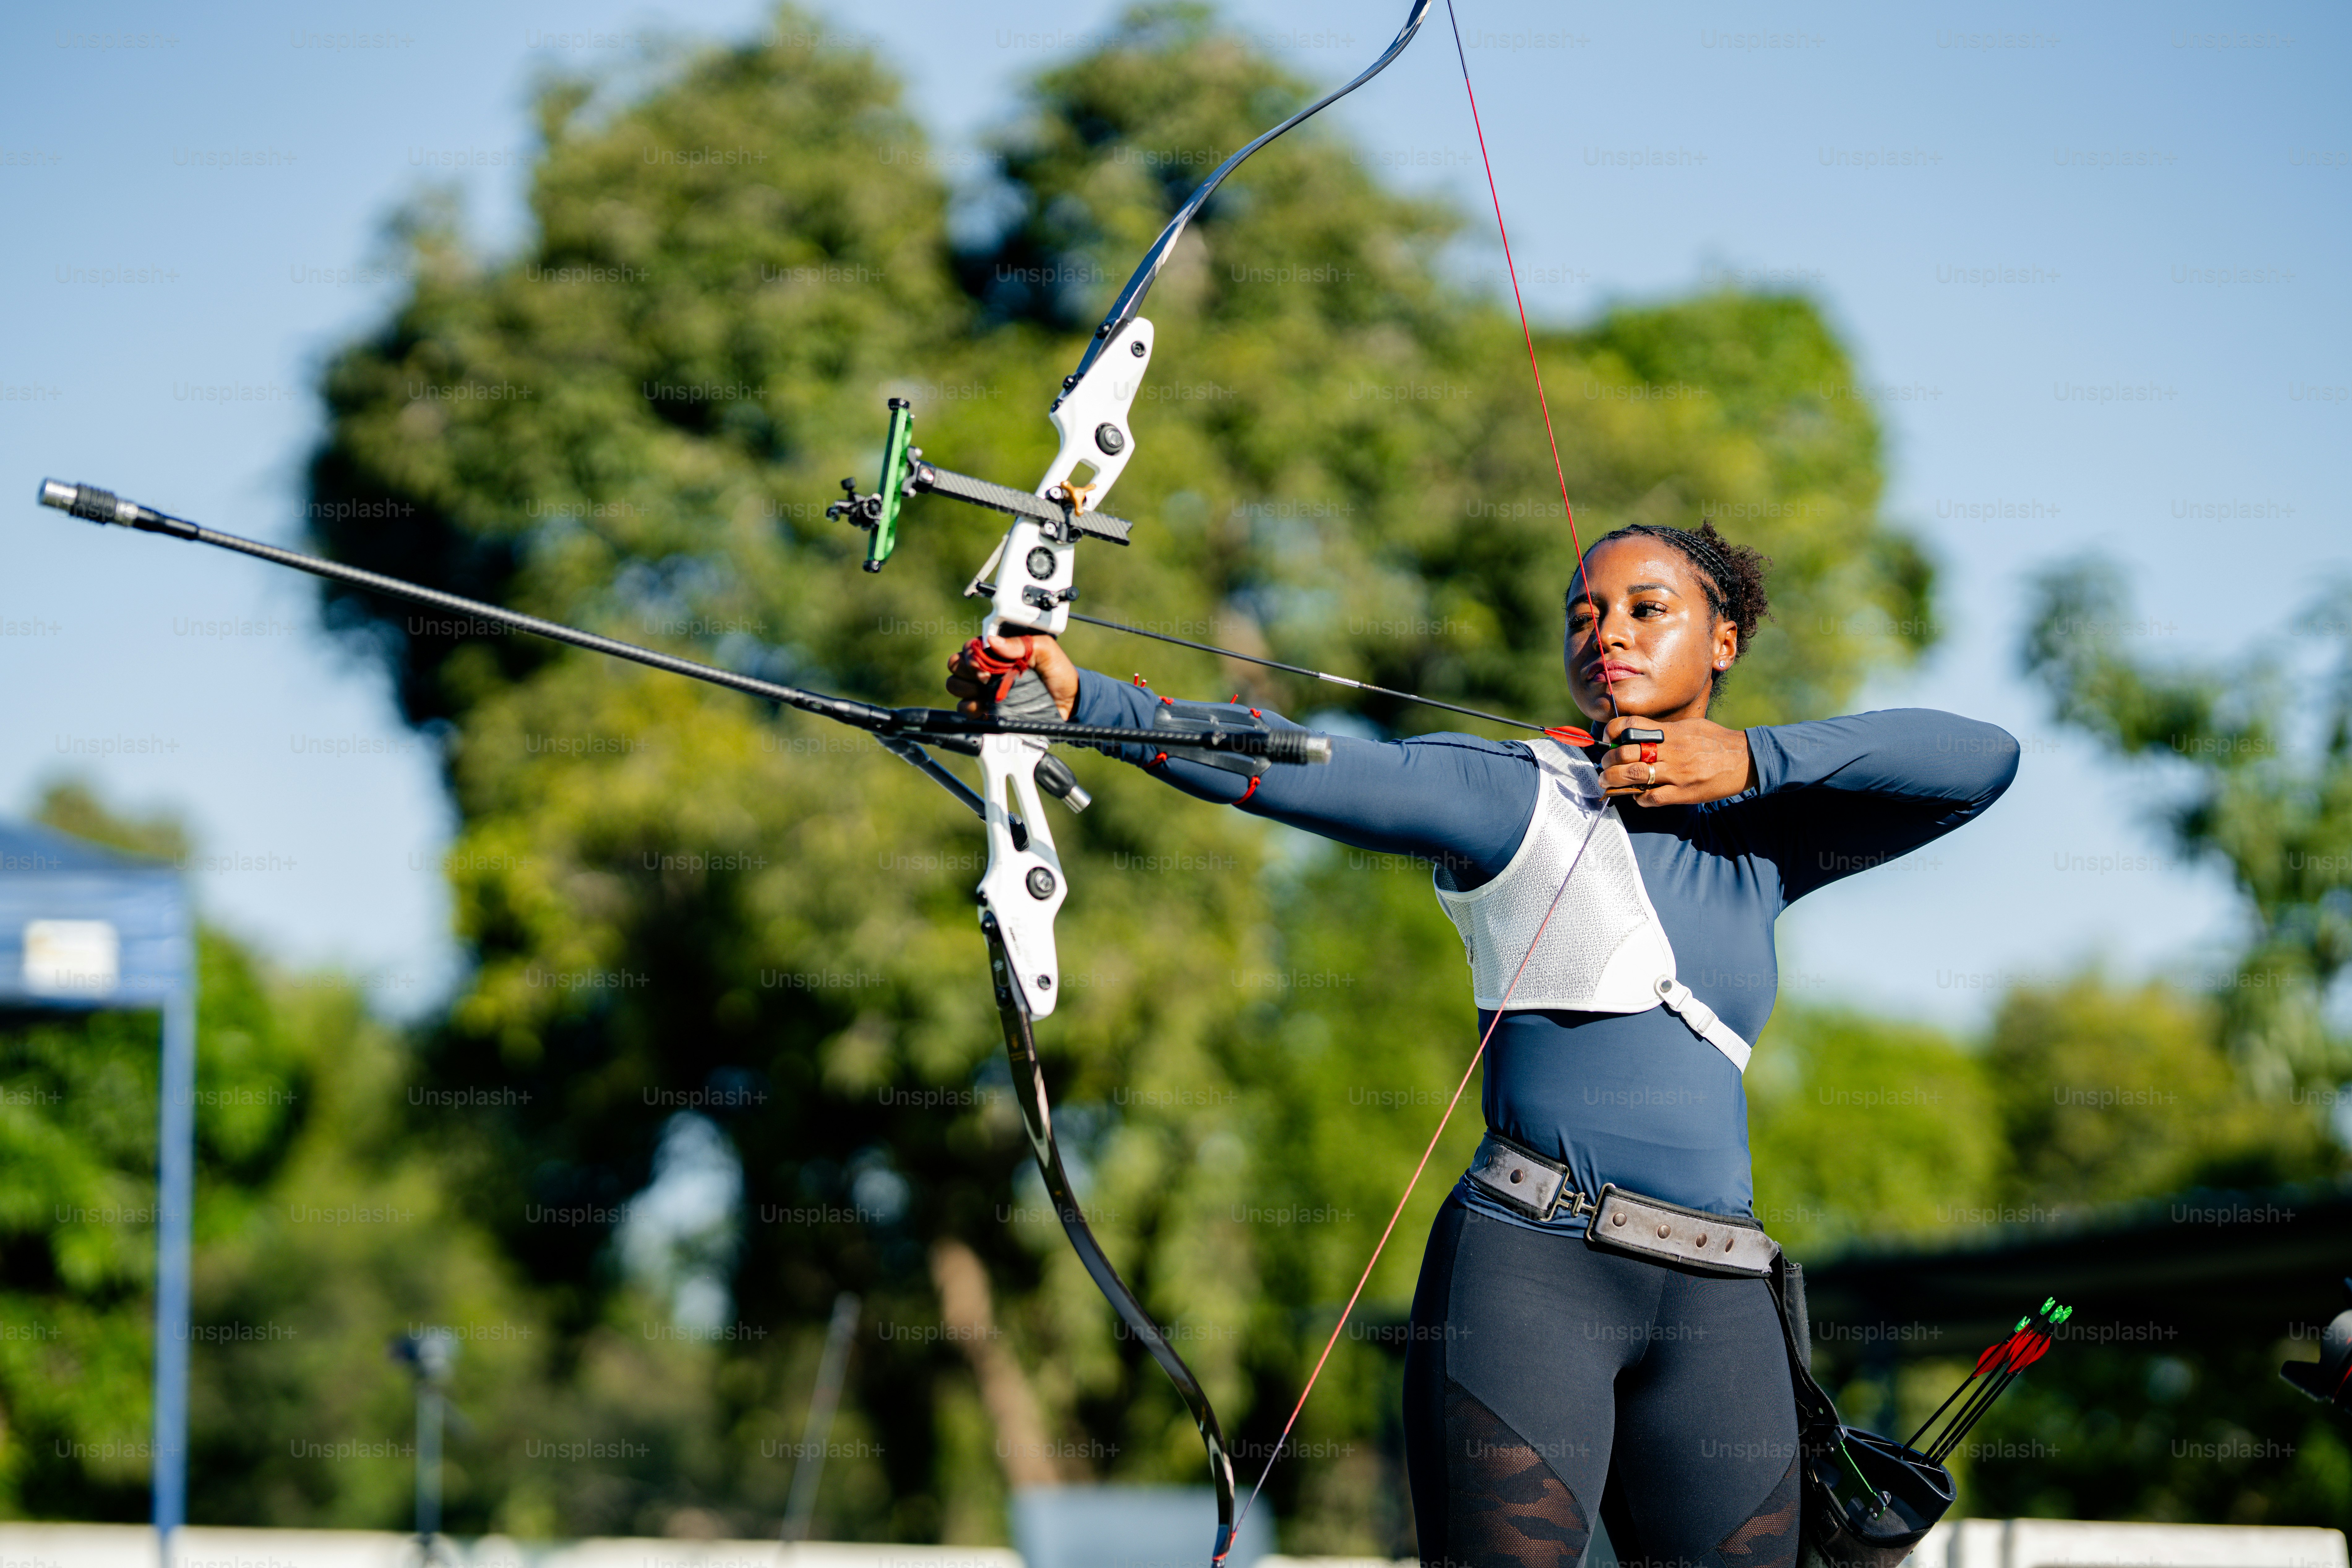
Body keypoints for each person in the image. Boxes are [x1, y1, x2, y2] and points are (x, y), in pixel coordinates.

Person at [946, 520, 2018, 1568]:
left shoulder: (1761, 834)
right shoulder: (1515, 792)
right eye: (1583, 617)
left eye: (1647, 610)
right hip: (1534, 1272)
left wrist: (1752, 758)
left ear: (1723, 640)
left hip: (1724, 1293)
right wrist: (1084, 703)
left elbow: (1981, 761)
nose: (1607, 633)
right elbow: (1306, 766)